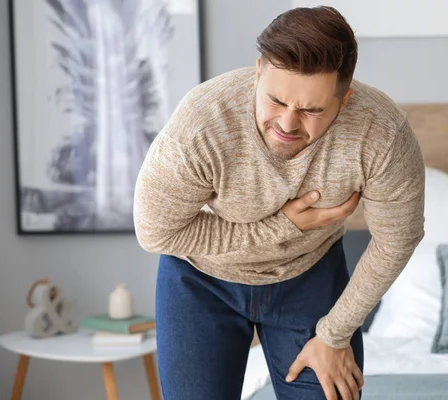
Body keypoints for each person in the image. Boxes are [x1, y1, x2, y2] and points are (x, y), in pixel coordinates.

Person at [133, 6, 425, 400]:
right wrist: (283, 226)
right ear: (258, 71)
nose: (287, 124)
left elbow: (398, 238)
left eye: (310, 110)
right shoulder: (202, 124)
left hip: (310, 277)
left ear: (345, 98)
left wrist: (335, 334)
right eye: (275, 100)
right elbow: (155, 232)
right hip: (201, 282)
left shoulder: (381, 133)